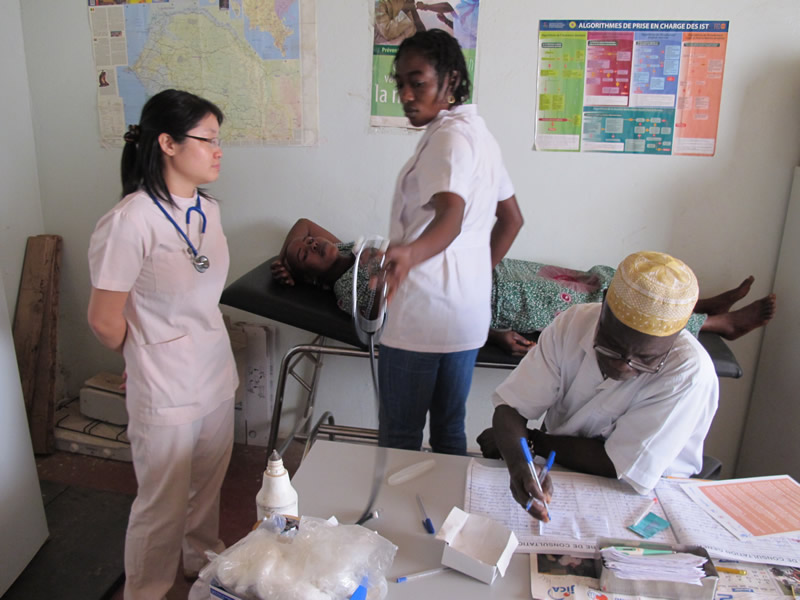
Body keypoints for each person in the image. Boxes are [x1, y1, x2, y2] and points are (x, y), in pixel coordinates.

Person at [87, 89, 238, 599]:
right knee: (162, 506)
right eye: (208, 139)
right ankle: (147, 591)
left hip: (214, 371)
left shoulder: (208, 210)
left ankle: (203, 566)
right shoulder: (132, 221)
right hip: (165, 387)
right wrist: (144, 353)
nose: (219, 150)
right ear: (168, 143)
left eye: (220, 140)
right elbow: (105, 320)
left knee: (206, 492)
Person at [271, 218, 777, 354]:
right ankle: (717, 323)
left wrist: (316, 254)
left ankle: (693, 304)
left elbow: (306, 223)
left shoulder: (359, 251)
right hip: (492, 303)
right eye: (304, 251)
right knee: (599, 307)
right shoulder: (346, 291)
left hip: (487, 273)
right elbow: (407, 317)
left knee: (588, 278)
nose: (313, 243)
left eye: (316, 239)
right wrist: (487, 334)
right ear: (311, 274)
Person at [484, 251, 720, 514]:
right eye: (612, 347)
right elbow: (511, 408)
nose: (623, 365)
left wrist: (531, 441)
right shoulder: (573, 324)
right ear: (604, 304)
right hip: (560, 464)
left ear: (676, 336)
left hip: (645, 493)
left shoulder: (688, 373)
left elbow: (616, 463)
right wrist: (519, 465)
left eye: (645, 359)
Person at [380, 29, 523, 455]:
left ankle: (391, 521)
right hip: (466, 315)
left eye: (417, 81)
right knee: (448, 432)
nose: (406, 93)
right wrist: (475, 270)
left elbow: (450, 216)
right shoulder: (482, 136)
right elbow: (512, 220)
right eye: (400, 83)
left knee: (401, 437)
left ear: (452, 80)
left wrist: (408, 254)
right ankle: (449, 521)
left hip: (422, 314)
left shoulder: (447, 138)